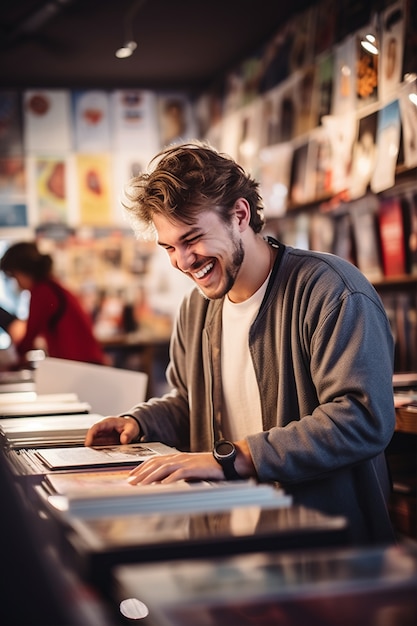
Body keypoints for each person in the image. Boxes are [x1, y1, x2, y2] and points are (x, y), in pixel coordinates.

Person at [85, 141, 396, 546]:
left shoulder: (330, 290)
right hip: (233, 543)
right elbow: (190, 402)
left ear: (239, 215)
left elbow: (362, 419)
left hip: (326, 550)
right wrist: (140, 422)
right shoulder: (196, 309)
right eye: (169, 248)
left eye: (192, 239)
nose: (182, 261)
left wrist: (237, 458)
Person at [0, 241, 106, 365]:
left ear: (22, 271)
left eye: (14, 276)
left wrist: (11, 361)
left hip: (80, 364)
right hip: (85, 362)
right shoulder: (51, 286)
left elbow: (29, 338)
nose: (16, 283)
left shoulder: (42, 291)